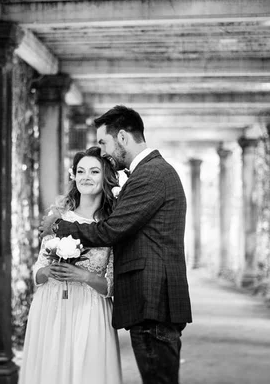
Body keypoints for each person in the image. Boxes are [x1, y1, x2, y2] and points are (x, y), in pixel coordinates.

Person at [43, 105, 192, 384]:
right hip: (154, 304)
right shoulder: (151, 173)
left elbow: (111, 231)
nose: (102, 151)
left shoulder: (151, 174)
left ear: (122, 137)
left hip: (153, 303)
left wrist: (60, 225)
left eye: (103, 142)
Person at [19, 147, 123, 384]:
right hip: (50, 305)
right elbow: (38, 270)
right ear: (74, 176)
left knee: (87, 372)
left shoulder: (113, 224)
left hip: (90, 308)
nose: (86, 177)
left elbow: (112, 284)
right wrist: (48, 271)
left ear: (105, 177)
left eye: (94, 171)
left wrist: (82, 275)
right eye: (81, 171)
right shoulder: (57, 216)